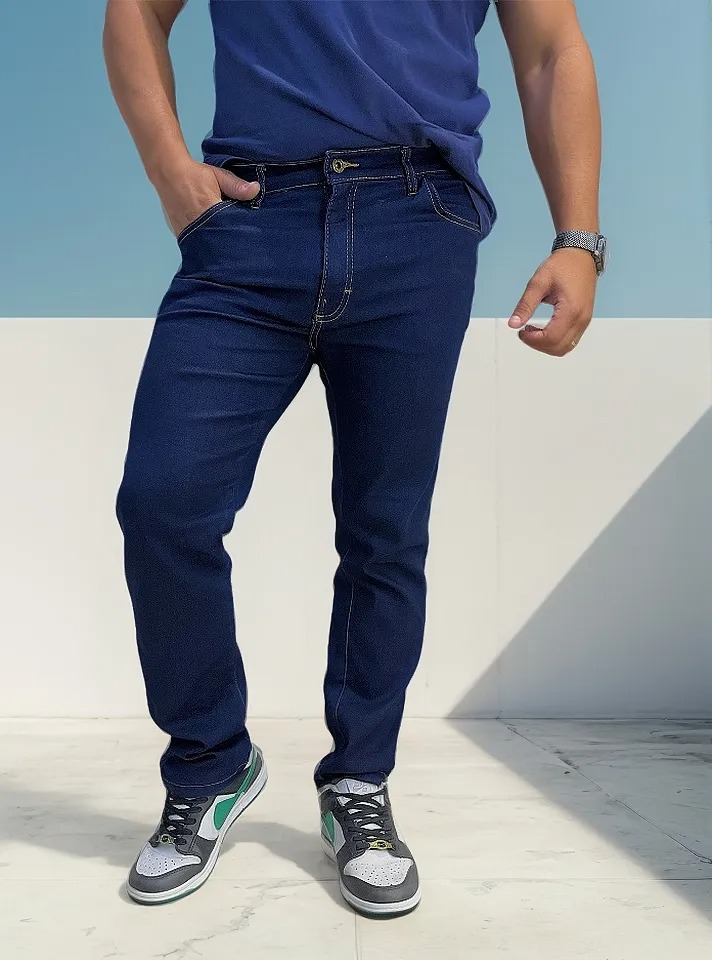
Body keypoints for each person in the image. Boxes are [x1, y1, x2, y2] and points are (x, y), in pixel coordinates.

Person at [104, 0, 606, 916]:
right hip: (250, 222)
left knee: (385, 529)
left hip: (419, 220)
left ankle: (359, 781)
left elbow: (549, 51)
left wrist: (579, 238)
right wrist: (169, 169)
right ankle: (211, 764)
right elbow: (135, 10)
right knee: (163, 501)